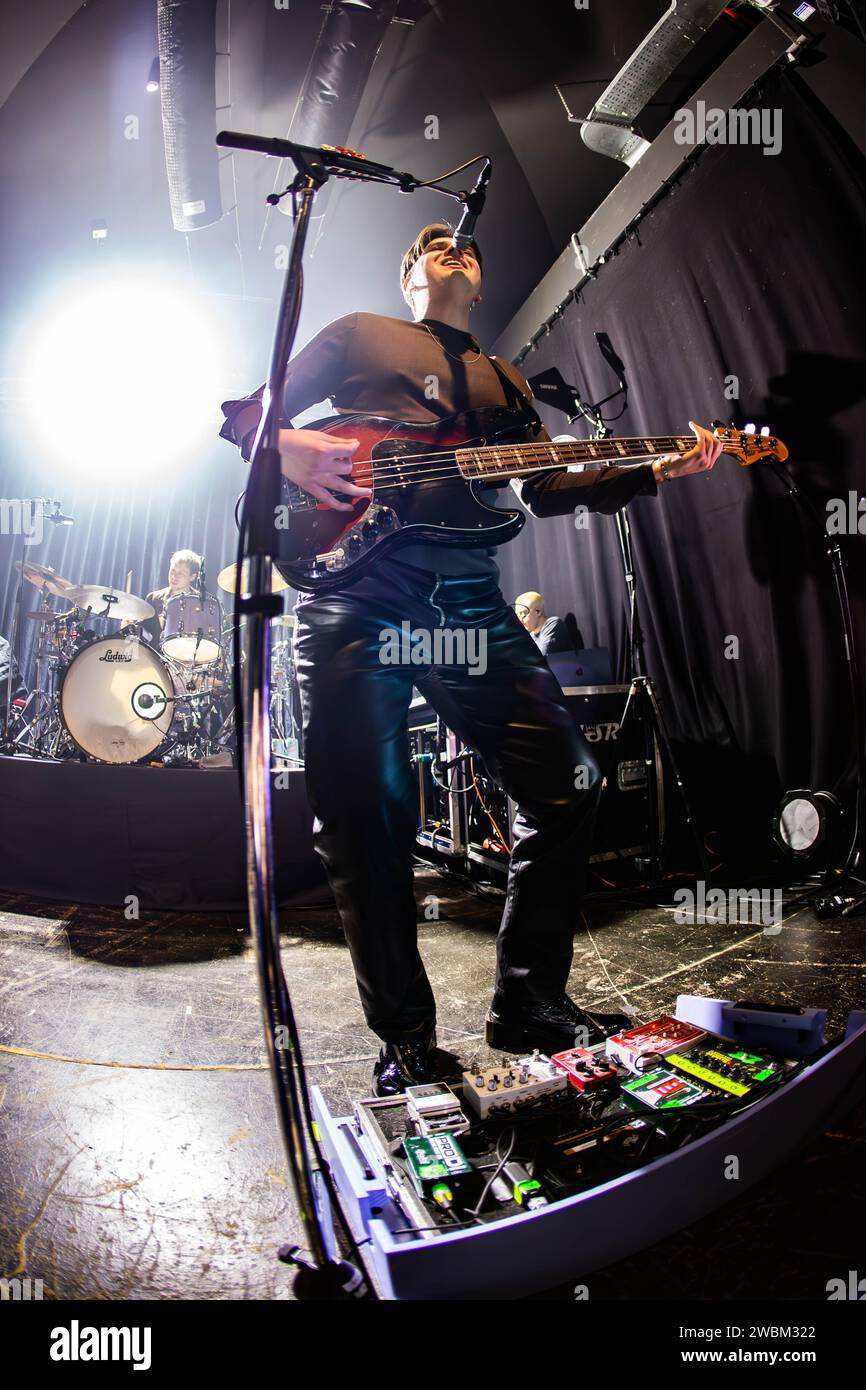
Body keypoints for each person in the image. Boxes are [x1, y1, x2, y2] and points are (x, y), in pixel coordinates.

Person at [219, 222, 722, 1096]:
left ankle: (530, 1000)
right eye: (434, 244)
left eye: (469, 248)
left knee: (569, 783)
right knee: (363, 819)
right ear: (410, 272)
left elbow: (544, 485)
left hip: (465, 599)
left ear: (479, 283)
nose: (456, 249)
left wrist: (654, 467)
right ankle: (406, 1038)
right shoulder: (360, 334)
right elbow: (247, 413)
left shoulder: (505, 380)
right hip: (351, 597)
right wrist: (288, 444)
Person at [143, 549, 203, 649]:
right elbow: (144, 632)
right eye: (172, 570)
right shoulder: (153, 598)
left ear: (192, 577)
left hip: (186, 658)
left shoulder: (200, 602)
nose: (174, 576)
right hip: (154, 658)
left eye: (181, 573)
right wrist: (130, 627)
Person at [514, 591, 576, 656]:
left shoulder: (553, 623)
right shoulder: (531, 636)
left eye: (523, 614)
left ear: (538, 611)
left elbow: (542, 656)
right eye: (517, 616)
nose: (520, 620)